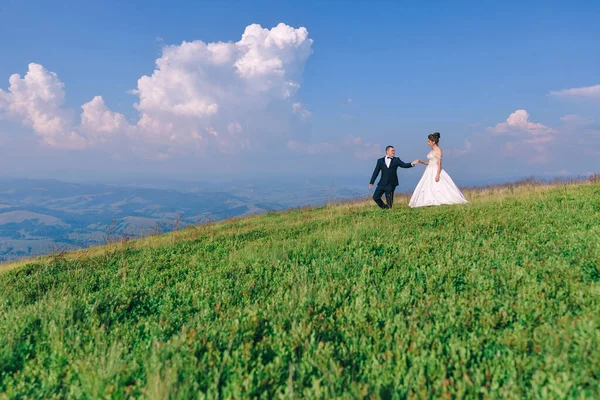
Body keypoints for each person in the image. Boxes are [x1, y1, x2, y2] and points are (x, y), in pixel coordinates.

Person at [408, 132, 468, 208]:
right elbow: (429, 162)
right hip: (429, 170)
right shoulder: (431, 151)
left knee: (438, 186)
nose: (428, 143)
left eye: (429, 141)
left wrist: (437, 174)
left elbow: (439, 164)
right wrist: (420, 161)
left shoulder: (438, 150)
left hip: (435, 170)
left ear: (433, 142)